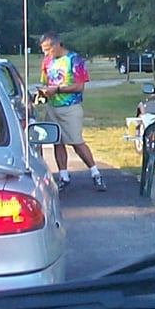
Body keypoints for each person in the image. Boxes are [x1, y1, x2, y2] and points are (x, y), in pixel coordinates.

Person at [38, 31, 106, 191]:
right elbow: (46, 82)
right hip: (53, 106)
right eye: (44, 50)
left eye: (48, 49)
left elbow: (79, 86)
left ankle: (95, 173)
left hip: (70, 107)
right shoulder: (47, 61)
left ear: (57, 45)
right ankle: (63, 176)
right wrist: (43, 93)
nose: (46, 53)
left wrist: (58, 90)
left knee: (76, 141)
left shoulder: (73, 60)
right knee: (57, 141)